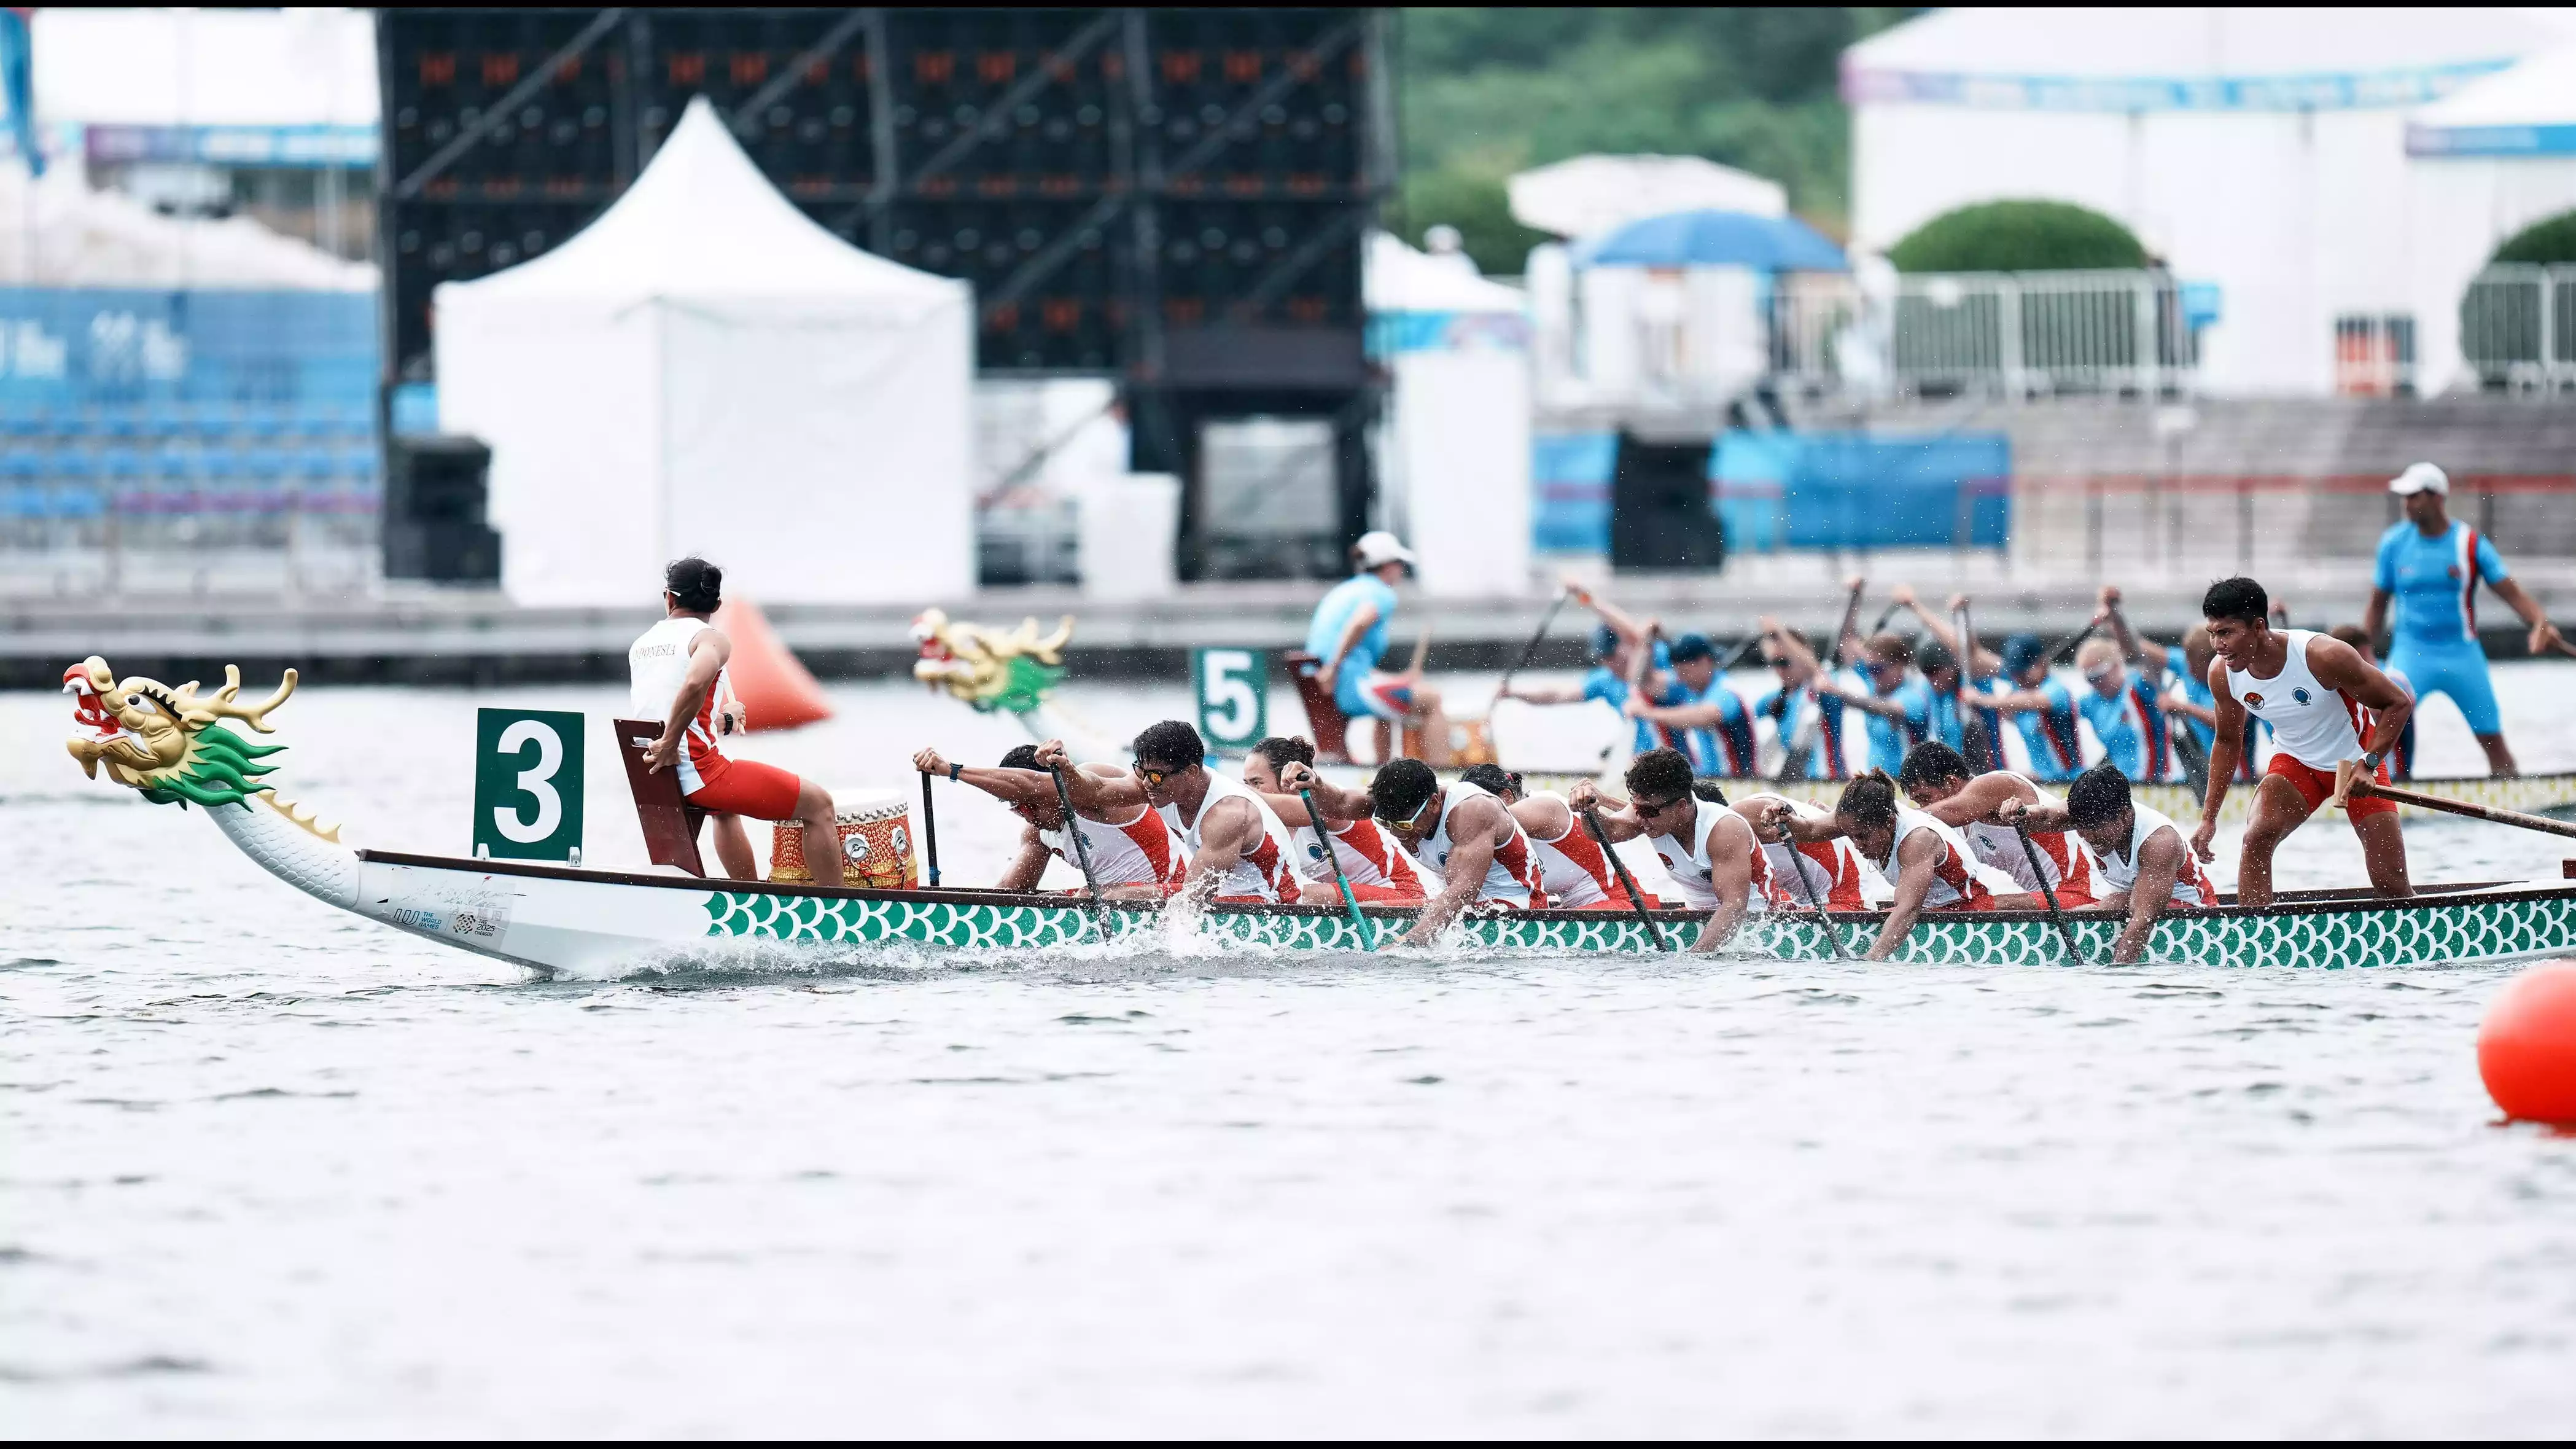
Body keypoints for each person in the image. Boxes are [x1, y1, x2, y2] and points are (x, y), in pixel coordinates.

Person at [2190, 576, 2414, 908]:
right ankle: (2256, 937)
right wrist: (2209, 818)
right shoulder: (2222, 674)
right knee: (2256, 837)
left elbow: (2398, 703)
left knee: (2390, 883)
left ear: (2258, 627)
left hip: (2354, 763)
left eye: (2226, 633)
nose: (2218, 645)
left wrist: (2369, 764)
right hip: (2296, 762)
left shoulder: (2324, 656)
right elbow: (2226, 742)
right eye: (2212, 633)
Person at [632, 557, 842, 886]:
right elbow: (693, 683)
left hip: (657, 775)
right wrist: (671, 743)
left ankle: (750, 896)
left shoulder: (641, 645)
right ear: (717, 603)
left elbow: (665, 707)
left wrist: (720, 720)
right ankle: (843, 910)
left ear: (669, 598)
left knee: (725, 811)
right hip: (699, 774)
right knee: (820, 806)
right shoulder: (711, 639)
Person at [2364, 462, 2565, 776]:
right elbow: (2377, 606)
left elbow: (2511, 593)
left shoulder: (2468, 544)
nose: (2406, 504)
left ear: (2437, 497)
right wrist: (2362, 658)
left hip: (2462, 656)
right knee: (2383, 722)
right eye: (2404, 497)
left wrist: (2540, 623)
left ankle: (2513, 790)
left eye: (2414, 496)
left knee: (2493, 741)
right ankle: (2383, 789)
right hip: (2410, 654)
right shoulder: (2393, 543)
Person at [1760, 770, 2041, 961]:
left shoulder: (1917, 839)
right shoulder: (1859, 815)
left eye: (1862, 837)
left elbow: (1907, 910)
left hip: (1966, 912)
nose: (1856, 844)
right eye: (1850, 835)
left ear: (1890, 823)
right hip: (1929, 908)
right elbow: (1808, 830)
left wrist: (1870, 962)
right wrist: (1784, 818)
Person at [1282, 756, 1543, 947]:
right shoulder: (1399, 800)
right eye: (1387, 825)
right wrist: (1315, 783)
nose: (1396, 833)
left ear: (1434, 803)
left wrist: (1408, 943)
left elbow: (1462, 893)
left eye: (1404, 825)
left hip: (1518, 908)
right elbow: (1339, 804)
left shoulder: (1471, 812)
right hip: (1463, 904)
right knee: (1372, 907)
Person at [1038, 722, 1301, 905]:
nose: (1147, 784)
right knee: (1097, 894)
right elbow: (1096, 792)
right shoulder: (1163, 786)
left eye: (1155, 776)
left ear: (1190, 773)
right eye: (1141, 772)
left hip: (1277, 902)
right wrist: (1066, 767)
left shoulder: (1227, 814)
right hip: (1226, 895)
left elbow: (1194, 901)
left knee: (1123, 896)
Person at [2003, 763, 2216, 964]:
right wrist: (2023, 812)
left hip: (2194, 914)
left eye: (2095, 827)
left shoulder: (2159, 843)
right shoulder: (2088, 812)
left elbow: (2143, 921)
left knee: (2112, 904)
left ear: (2124, 815)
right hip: (2131, 903)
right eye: (2081, 826)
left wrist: (2116, 977)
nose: (2088, 836)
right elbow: (2047, 815)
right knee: (2088, 909)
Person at [908, 743, 1185, 897]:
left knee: (1089, 896)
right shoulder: (1035, 834)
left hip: (1179, 895)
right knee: (1048, 901)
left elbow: (1029, 784)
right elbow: (1010, 896)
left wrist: (952, 771)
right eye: (1017, 808)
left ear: (1051, 788)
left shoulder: (1090, 790)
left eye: (1031, 803)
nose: (1027, 814)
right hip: (1118, 900)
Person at [1568, 749, 1770, 952]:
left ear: (1681, 806)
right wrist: (1589, 810)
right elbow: (1607, 832)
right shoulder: (1652, 814)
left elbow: (1734, 908)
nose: (1641, 817)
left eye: (1649, 811)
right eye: (1636, 807)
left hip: (1758, 924)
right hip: (1698, 917)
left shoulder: (1724, 829)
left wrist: (1692, 961)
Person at [1304, 530, 1452, 765]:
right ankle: (1444, 778)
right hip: (1342, 687)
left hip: (1326, 684)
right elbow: (1360, 622)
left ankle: (1381, 768)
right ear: (1388, 566)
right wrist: (1333, 668)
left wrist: (1400, 678)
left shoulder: (1344, 591)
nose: (1402, 570)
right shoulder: (1380, 592)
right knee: (1432, 699)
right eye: (1400, 564)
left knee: (1387, 704)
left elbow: (1356, 661)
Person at [1893, 741, 2098, 907]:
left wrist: (1889, 816)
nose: (1923, 808)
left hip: (2082, 892)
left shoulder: (1993, 784)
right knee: (1957, 904)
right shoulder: (1950, 826)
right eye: (1917, 803)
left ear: (1952, 782)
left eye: (1925, 797)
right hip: (2049, 898)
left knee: (1982, 906)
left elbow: (1952, 811)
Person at [1240, 735, 1432, 905]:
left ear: (1286, 779)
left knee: (1300, 895)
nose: (1250, 791)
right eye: (1246, 784)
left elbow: (1302, 811)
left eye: (1257, 783)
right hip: (1357, 899)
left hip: (1403, 897)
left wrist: (1229, 790)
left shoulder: (1323, 805)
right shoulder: (1268, 825)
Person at [1501, 588, 1679, 757]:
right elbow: (1557, 695)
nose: (1607, 663)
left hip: (1678, 757)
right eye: (1602, 658)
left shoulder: (1656, 658)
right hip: (1643, 758)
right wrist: (1512, 693)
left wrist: (1585, 595)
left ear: (1625, 645)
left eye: (1610, 655)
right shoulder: (1604, 680)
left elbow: (1644, 631)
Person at [1461, 763, 1649, 910]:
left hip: (1624, 907)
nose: (1468, 815)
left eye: (1477, 806)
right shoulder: (1499, 833)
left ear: (1507, 797)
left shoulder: (1542, 808)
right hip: (1584, 908)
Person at [1626, 631, 1759, 776]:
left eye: (1685, 672)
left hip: (1738, 779)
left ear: (1705, 662)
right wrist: (1647, 642)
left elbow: (1706, 716)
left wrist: (1648, 713)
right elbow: (1643, 683)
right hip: (1706, 778)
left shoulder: (1726, 691)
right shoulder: (1689, 688)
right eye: (1678, 673)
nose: (1681, 679)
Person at [1812, 631, 1934, 774]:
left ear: (1899, 666)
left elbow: (1887, 708)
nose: (1872, 675)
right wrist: (1852, 607)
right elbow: (1846, 643)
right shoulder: (1876, 686)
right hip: (1878, 781)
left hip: (1904, 781)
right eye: (1869, 669)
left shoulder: (1913, 696)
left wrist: (1838, 693)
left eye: (1877, 670)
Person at [1750, 621, 1852, 779]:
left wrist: (1780, 633)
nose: (1779, 669)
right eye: (1774, 663)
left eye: (1784, 662)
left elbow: (1815, 669)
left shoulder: (1821, 689)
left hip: (1828, 781)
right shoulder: (1769, 701)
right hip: (1795, 783)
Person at [2162, 623, 2260, 787]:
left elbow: (2230, 725)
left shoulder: (2241, 682)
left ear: (2212, 661)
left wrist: (2183, 707)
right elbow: (2139, 653)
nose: (2188, 669)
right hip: (2204, 779)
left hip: (2237, 782)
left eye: (2193, 664)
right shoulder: (2193, 670)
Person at [2328, 623, 2417, 780]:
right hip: (2348, 772)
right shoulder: (2334, 684)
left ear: (2362, 652)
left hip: (2392, 775)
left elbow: (2384, 708)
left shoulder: (2394, 679)